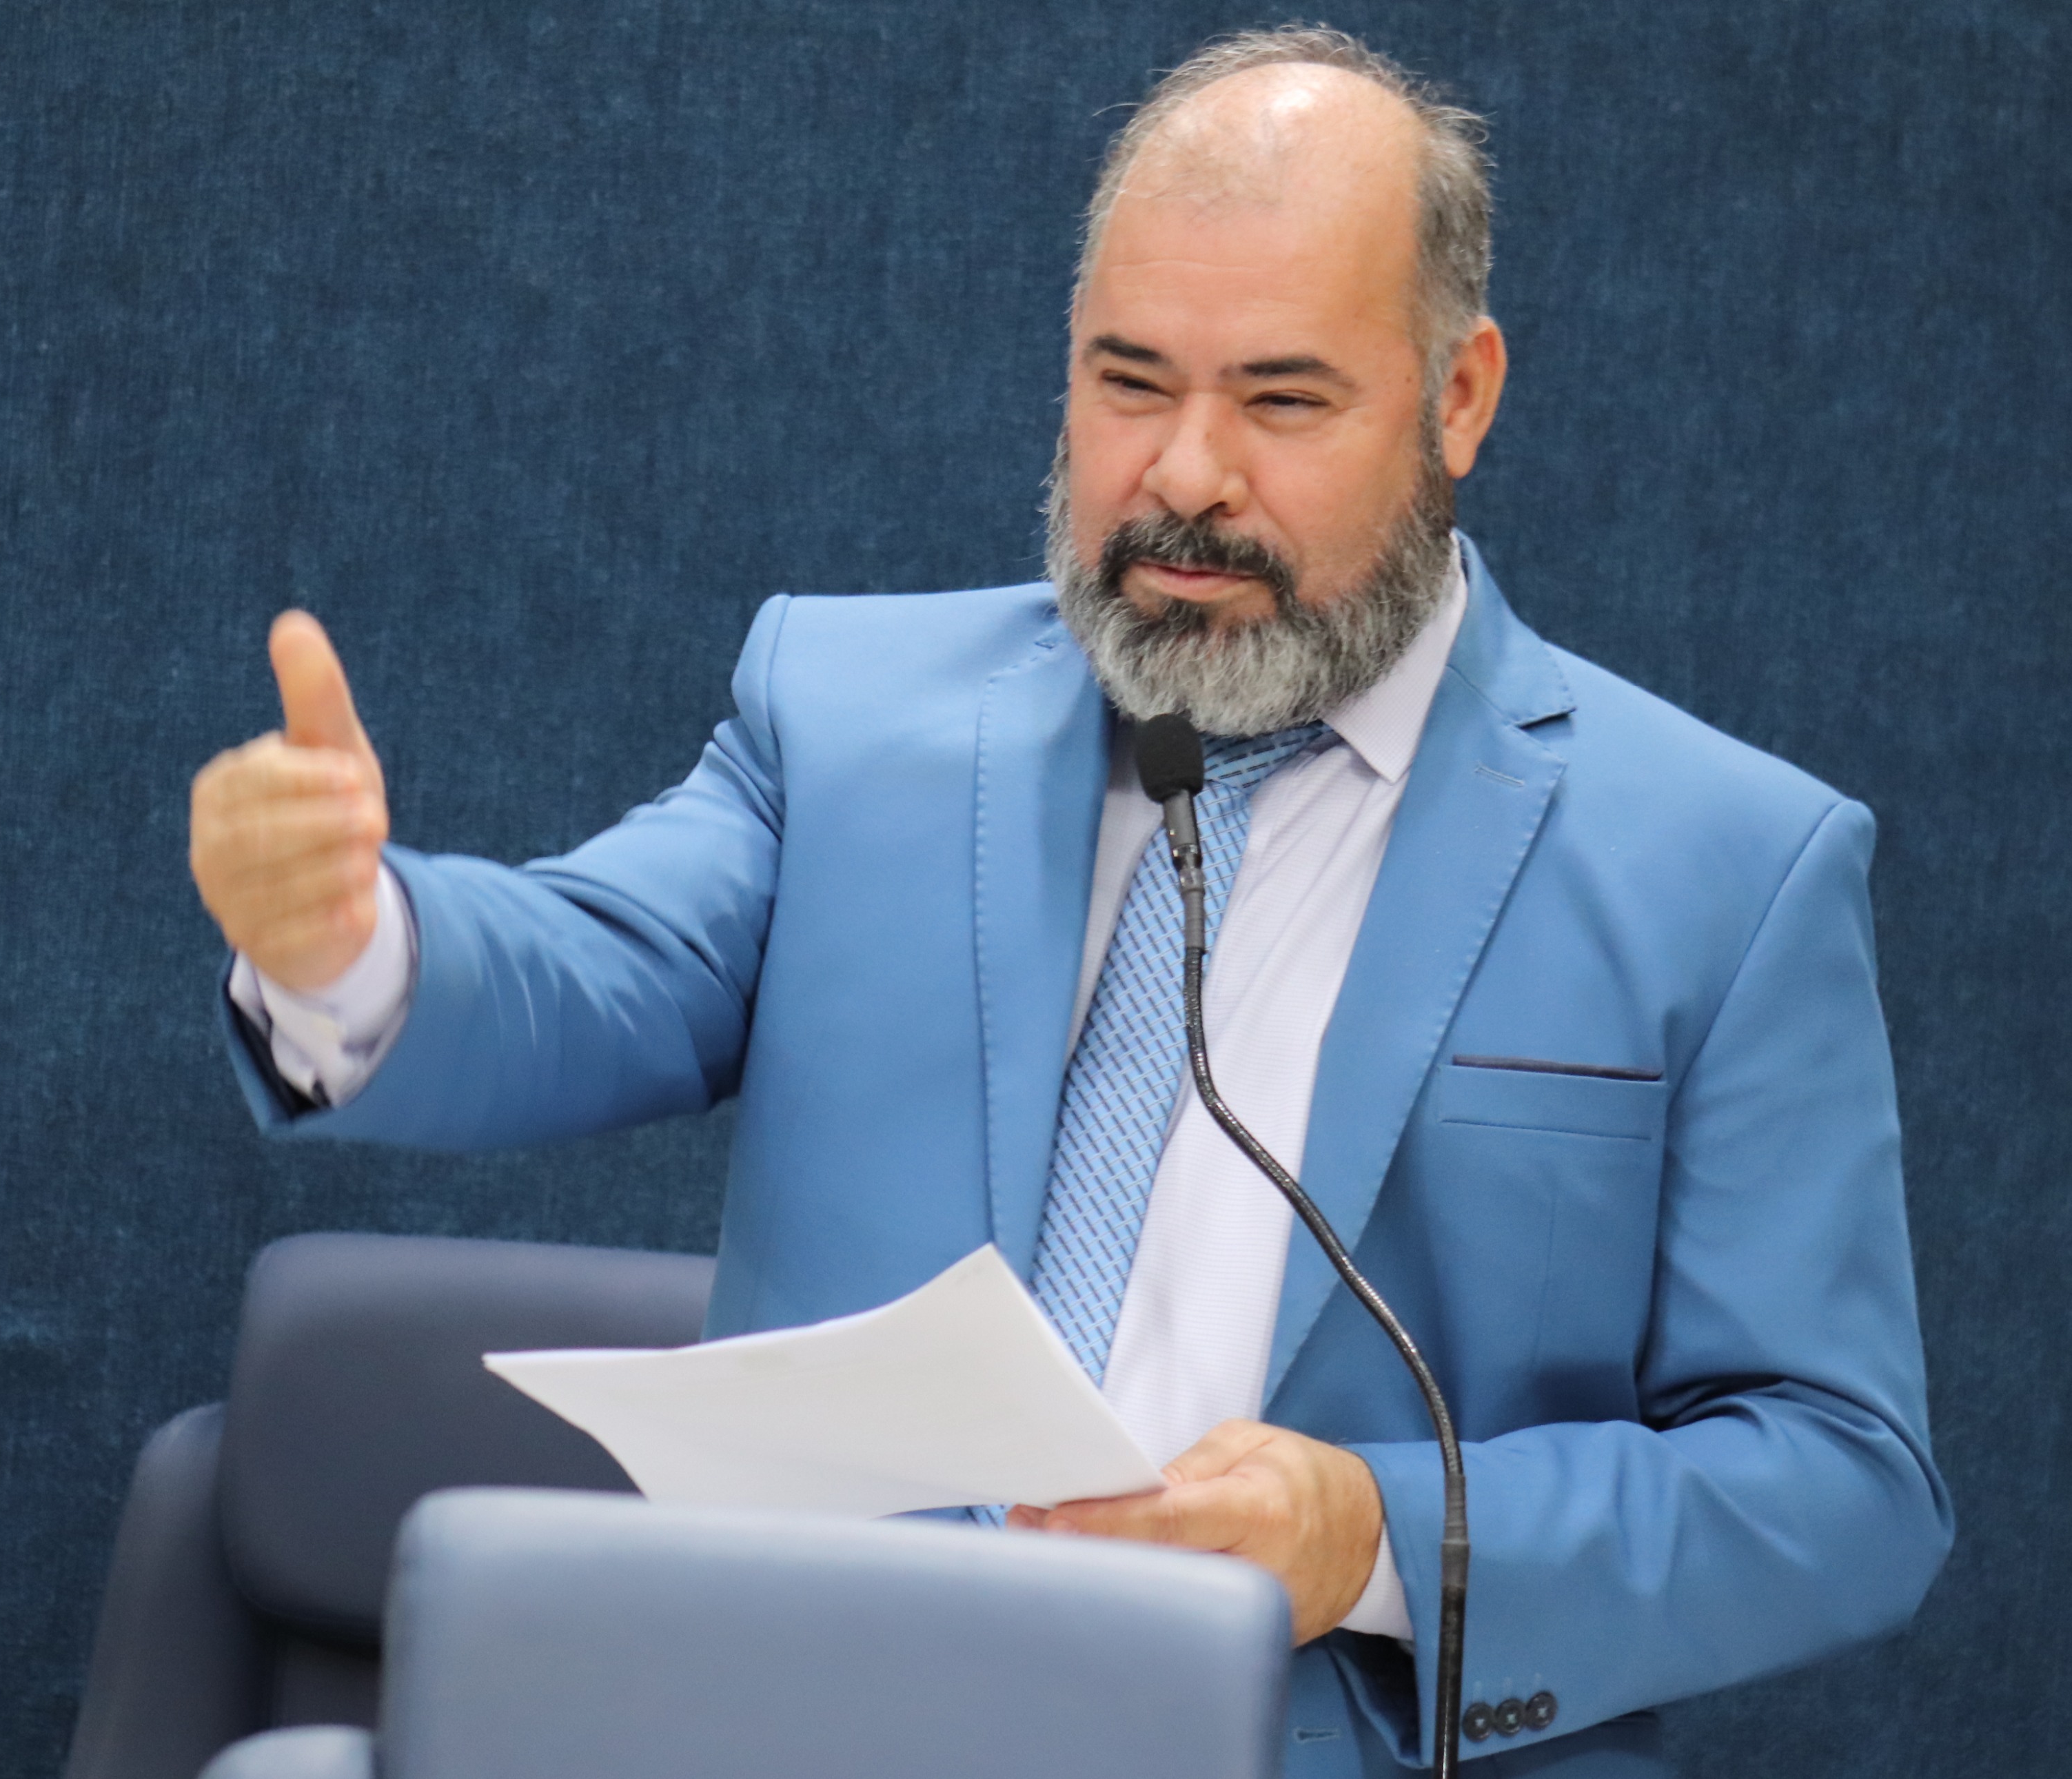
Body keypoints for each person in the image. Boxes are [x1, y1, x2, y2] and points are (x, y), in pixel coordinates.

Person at [187, 27, 1951, 1776]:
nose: (1184, 475)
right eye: (1129, 382)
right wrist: (352, 944)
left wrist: (1375, 1533)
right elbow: (594, 966)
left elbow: (1841, 1480)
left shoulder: (1722, 864)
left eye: (1280, 400)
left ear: (1459, 397)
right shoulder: (849, 713)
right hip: (803, 1726)